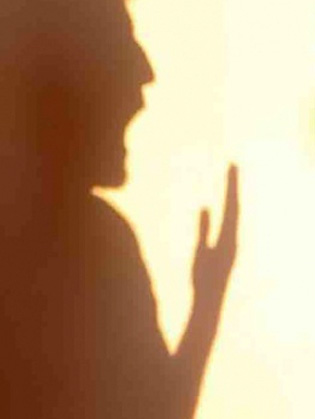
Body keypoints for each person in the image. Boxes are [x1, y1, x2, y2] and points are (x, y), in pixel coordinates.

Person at [0, 0, 238, 417]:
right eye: (119, 43)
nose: (146, 75)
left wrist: (207, 304)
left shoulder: (102, 240)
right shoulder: (96, 244)